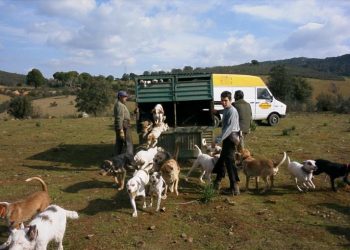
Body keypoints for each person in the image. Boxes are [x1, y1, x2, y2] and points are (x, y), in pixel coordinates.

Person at [212, 91, 241, 196]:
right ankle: (217, 182)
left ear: (230, 100)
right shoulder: (227, 109)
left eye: (226, 100)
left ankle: (234, 188)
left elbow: (228, 130)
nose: (223, 102)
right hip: (227, 139)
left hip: (231, 139)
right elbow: (224, 111)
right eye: (222, 100)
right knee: (222, 160)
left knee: (229, 163)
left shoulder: (232, 111)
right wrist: (216, 112)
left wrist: (217, 140)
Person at [114, 90, 133, 156]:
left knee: (119, 144)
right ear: (120, 97)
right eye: (124, 97)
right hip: (124, 126)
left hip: (124, 125)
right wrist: (121, 130)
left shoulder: (121, 104)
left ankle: (117, 159)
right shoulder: (120, 105)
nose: (126, 98)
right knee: (128, 143)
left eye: (126, 96)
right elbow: (119, 118)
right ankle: (129, 159)